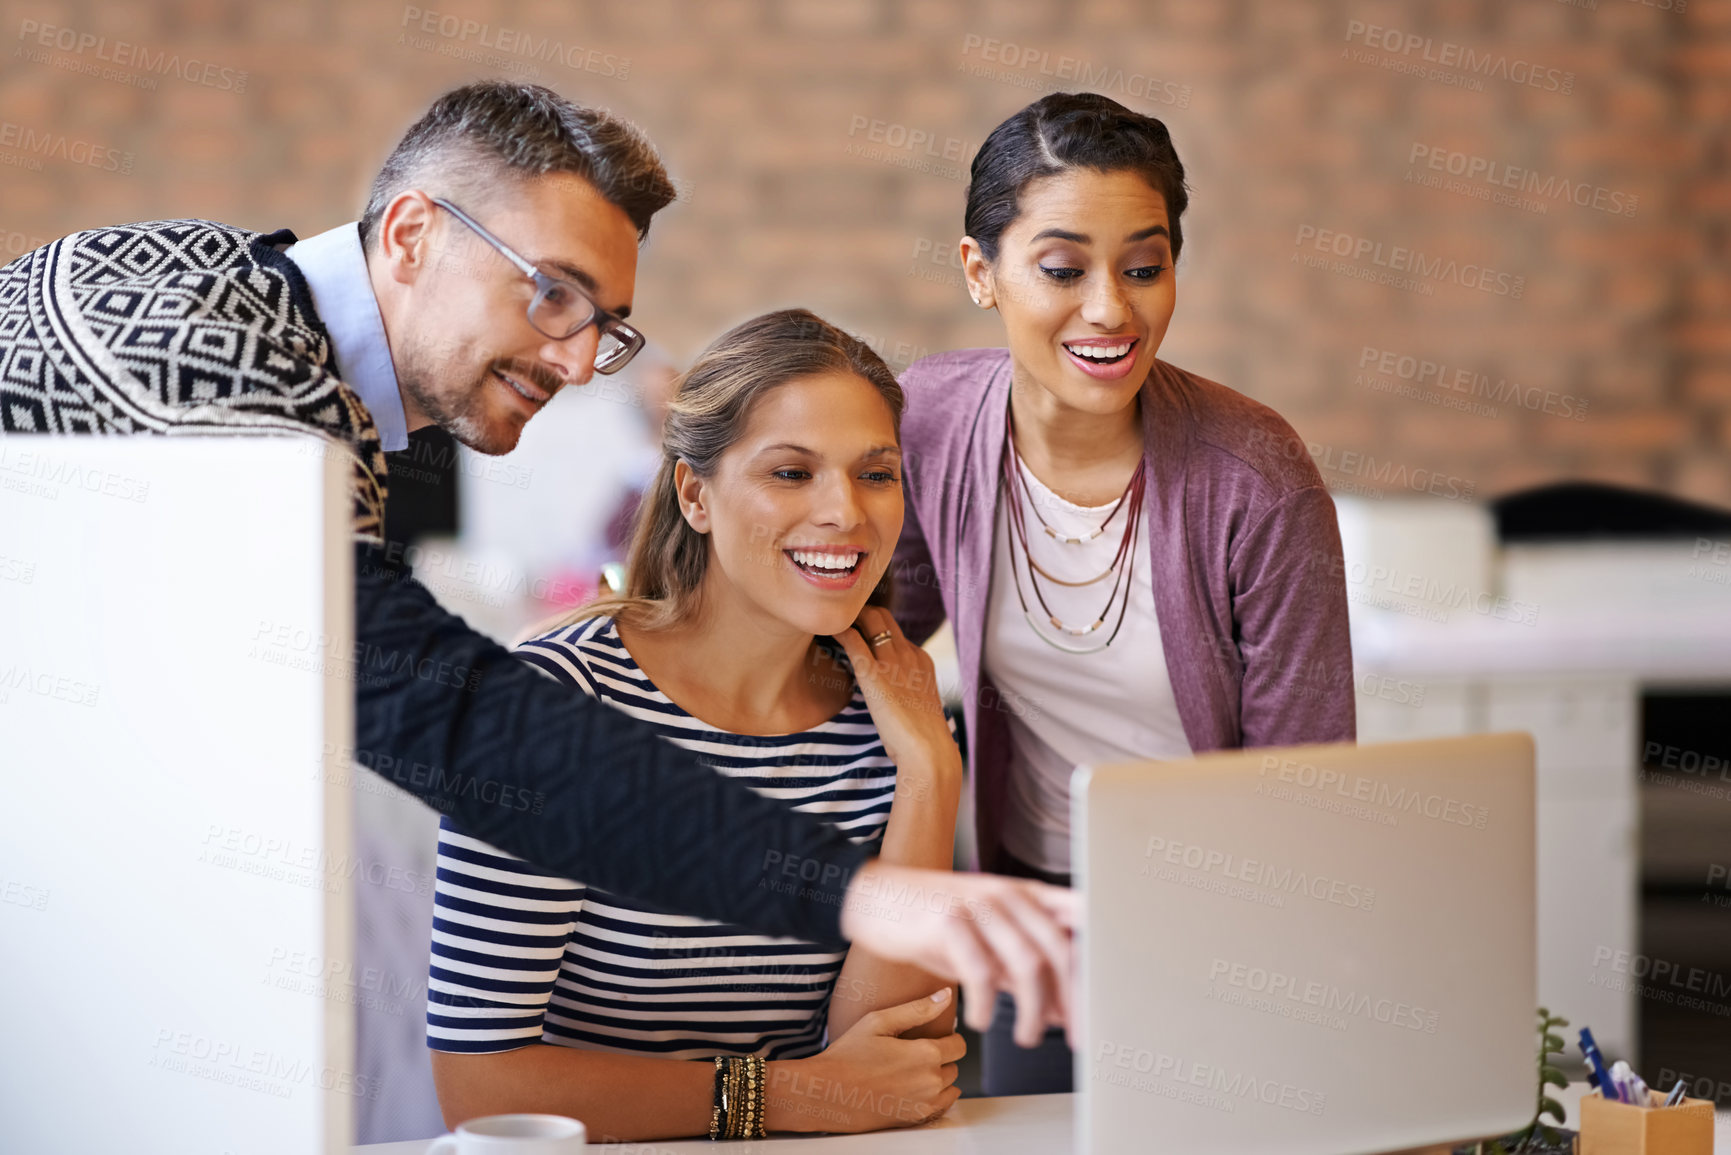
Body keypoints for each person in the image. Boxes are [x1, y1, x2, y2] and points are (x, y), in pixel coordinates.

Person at [0, 80, 1075, 1039]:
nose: (573, 358)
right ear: (413, 233)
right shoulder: (195, 357)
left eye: (603, 323)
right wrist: (861, 892)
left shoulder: (280, 348)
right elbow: (441, 714)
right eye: (552, 292)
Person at [889, 92, 1356, 1095]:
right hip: (1035, 915)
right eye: (1063, 269)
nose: (1111, 308)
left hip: (1222, 917)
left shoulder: (1256, 473)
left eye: (1144, 268)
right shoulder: (930, 420)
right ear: (981, 272)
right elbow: (865, 630)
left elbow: (1306, 782)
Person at [428, 310, 970, 1140]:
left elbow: (899, 1068)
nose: (844, 512)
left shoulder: (895, 726)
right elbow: (482, 1083)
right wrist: (789, 1095)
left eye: (876, 473)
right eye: (790, 472)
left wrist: (929, 774)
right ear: (694, 494)